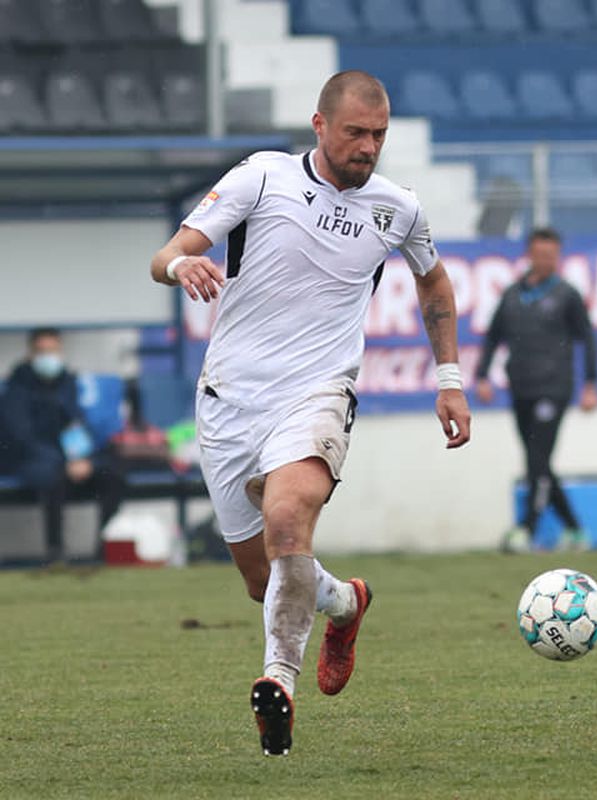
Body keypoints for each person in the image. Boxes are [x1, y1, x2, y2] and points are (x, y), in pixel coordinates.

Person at [149, 70, 471, 757]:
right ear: (320, 125)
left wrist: (450, 378)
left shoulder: (398, 208)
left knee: (288, 518)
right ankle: (346, 604)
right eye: (356, 132)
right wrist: (182, 270)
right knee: (264, 581)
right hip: (229, 400)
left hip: (318, 391)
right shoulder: (261, 179)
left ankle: (278, 683)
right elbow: (167, 254)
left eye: (379, 135)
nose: (369, 147)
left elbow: (432, 278)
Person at [475, 228, 597, 553]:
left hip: (554, 388)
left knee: (537, 458)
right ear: (529, 255)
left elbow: (588, 338)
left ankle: (526, 529)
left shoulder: (566, 295)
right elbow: (493, 336)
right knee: (537, 460)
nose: (546, 261)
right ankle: (574, 530)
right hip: (521, 387)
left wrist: (590, 385)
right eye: (540, 254)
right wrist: (483, 375)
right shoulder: (513, 294)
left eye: (551, 255)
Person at [0, 327, 124, 564]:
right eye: (42, 351)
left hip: (68, 460)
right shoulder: (16, 388)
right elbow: (22, 438)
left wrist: (83, 459)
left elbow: (76, 426)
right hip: (31, 461)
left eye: (53, 350)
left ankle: (101, 547)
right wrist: (64, 463)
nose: (48, 357)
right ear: (31, 353)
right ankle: (55, 551)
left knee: (112, 475)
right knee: (52, 476)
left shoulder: (67, 384)